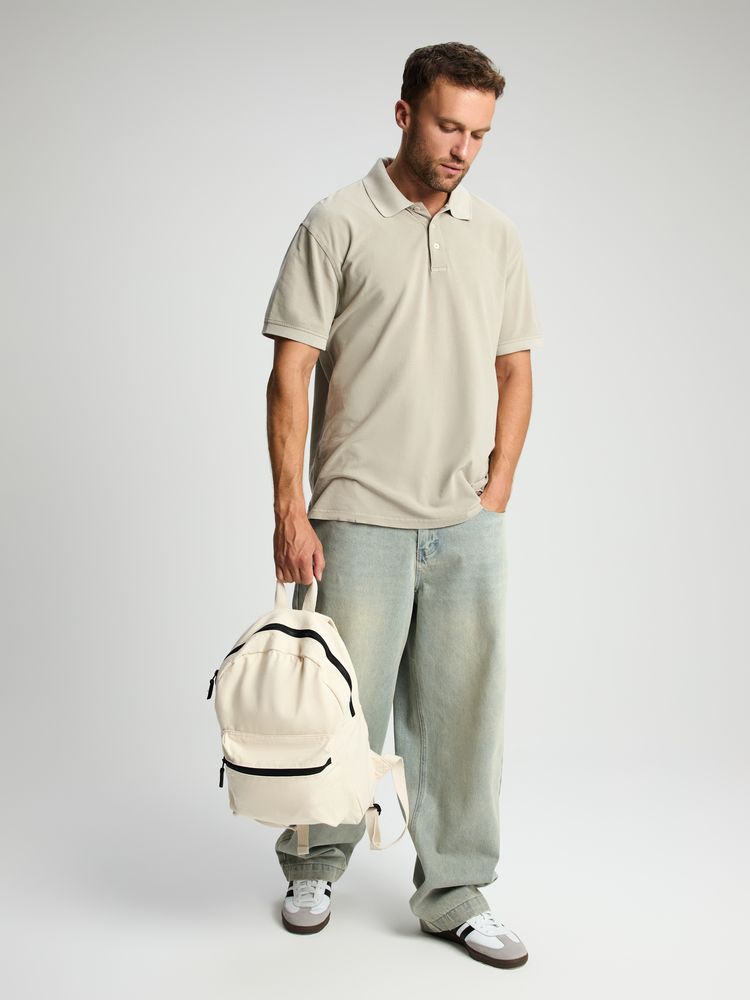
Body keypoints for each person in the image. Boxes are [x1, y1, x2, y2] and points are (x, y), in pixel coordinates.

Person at [262, 41, 543, 969]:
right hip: (356, 514)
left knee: (465, 717)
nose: (463, 149)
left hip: (465, 524)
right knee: (337, 709)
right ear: (404, 114)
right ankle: (314, 864)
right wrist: (291, 510)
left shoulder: (495, 235)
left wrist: (498, 485)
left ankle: (456, 891)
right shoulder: (336, 222)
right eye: (448, 126)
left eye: (480, 134)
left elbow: (515, 368)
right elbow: (291, 372)